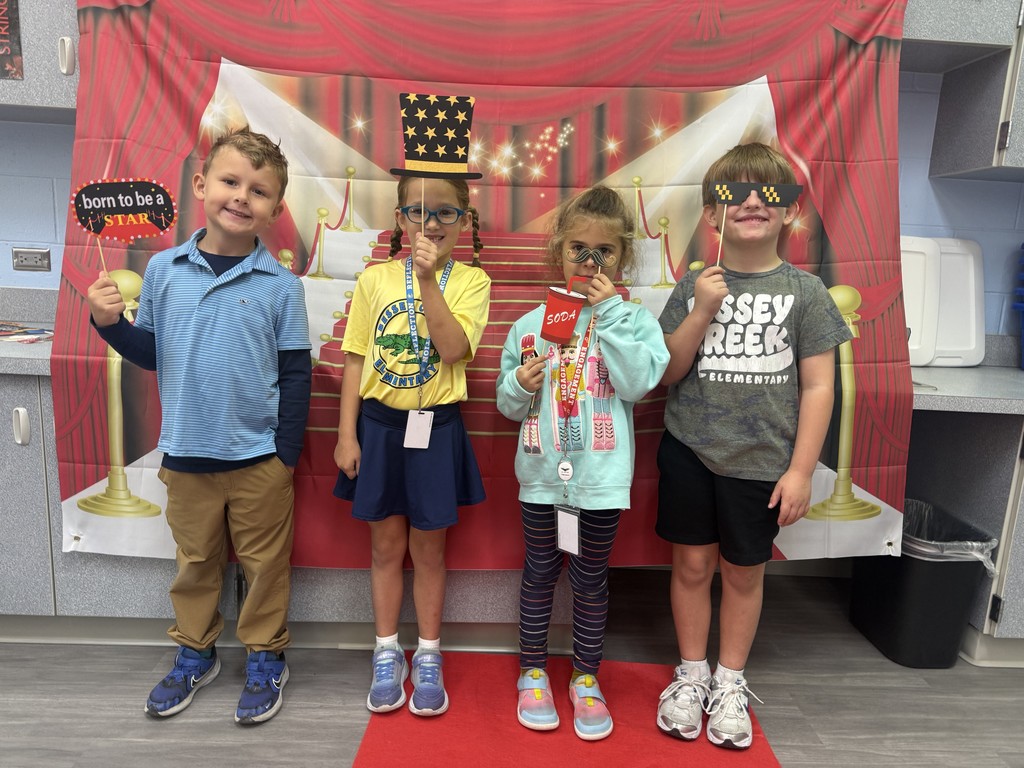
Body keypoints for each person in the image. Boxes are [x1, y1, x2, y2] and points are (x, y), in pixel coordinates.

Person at [85, 127, 311, 725]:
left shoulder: (283, 287)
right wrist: (108, 325)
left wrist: (284, 454)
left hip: (260, 461)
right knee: (194, 562)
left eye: (258, 190)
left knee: (266, 567)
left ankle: (265, 654)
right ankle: (196, 649)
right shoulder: (163, 270)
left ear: (276, 208)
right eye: (231, 182)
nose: (241, 197)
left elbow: (296, 373)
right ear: (201, 184)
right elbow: (154, 351)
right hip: (186, 457)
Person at [655, 142, 852, 749]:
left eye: (768, 193)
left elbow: (820, 386)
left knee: (744, 573)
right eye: (732, 193)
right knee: (691, 565)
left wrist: (800, 472)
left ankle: (730, 681)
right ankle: (691, 675)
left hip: (763, 463)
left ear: (790, 211)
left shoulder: (807, 293)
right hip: (690, 448)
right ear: (711, 216)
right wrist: (701, 308)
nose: (750, 202)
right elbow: (668, 372)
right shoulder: (693, 287)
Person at [495, 185, 669, 741]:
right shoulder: (530, 325)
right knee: (540, 574)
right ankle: (532, 671)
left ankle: (587, 678)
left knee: (591, 579)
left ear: (622, 258)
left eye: (605, 253)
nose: (590, 263)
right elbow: (505, 404)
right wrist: (519, 385)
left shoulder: (633, 321)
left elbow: (639, 384)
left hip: (598, 483)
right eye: (578, 250)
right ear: (559, 251)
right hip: (542, 479)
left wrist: (611, 313)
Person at [333, 175, 491, 717]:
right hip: (378, 428)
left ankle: (427, 654)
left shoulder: (471, 281)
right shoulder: (375, 279)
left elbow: (452, 350)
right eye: (420, 212)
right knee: (383, 548)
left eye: (447, 213)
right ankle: (384, 652)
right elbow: (355, 358)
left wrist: (427, 282)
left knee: (429, 549)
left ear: (464, 223)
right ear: (401, 219)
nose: (432, 223)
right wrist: (346, 433)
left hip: (436, 426)